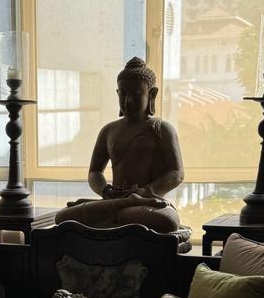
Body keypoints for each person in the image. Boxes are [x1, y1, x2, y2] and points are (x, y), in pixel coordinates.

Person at [54, 57, 184, 233]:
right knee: (62, 217)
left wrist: (146, 192)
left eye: (136, 94)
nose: (128, 100)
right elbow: (94, 172)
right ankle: (122, 205)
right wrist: (105, 191)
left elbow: (176, 173)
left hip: (148, 203)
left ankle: (120, 208)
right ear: (117, 93)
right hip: (114, 201)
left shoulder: (162, 129)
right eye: (123, 94)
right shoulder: (109, 130)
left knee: (167, 220)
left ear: (151, 95)